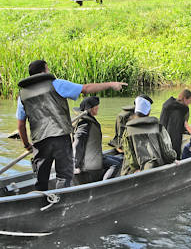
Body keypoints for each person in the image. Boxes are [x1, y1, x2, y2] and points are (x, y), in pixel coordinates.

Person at [16, 59, 127, 191]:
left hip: (40, 142)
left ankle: (42, 204)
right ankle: (62, 202)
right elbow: (85, 89)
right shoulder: (56, 84)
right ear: (44, 71)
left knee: (41, 179)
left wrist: (26, 145)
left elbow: (21, 125)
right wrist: (110, 84)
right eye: (48, 69)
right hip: (60, 137)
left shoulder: (22, 95)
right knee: (64, 176)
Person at [121, 95, 177, 175]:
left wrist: (135, 169)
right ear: (148, 112)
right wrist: (173, 159)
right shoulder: (158, 127)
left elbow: (129, 153)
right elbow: (167, 151)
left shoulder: (127, 130)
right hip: (156, 167)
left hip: (135, 171)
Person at [72, 96, 122, 184]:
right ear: (90, 109)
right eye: (96, 107)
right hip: (88, 160)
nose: (98, 109)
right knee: (116, 165)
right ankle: (104, 185)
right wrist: (75, 165)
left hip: (93, 155)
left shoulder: (88, 120)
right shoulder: (84, 124)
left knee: (120, 160)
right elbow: (77, 143)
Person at [160, 89, 191, 159]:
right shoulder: (181, 110)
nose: (190, 103)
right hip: (173, 138)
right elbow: (184, 125)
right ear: (184, 98)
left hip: (162, 135)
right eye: (189, 100)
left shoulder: (168, 104)